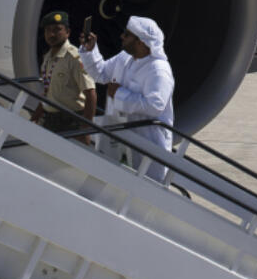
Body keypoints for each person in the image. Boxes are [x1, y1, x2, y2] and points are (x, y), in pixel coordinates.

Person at [80, 15, 174, 180]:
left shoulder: (158, 70)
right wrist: (90, 51)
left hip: (147, 144)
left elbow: (155, 106)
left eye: (127, 34)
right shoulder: (125, 58)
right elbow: (101, 74)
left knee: (145, 193)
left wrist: (119, 94)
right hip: (119, 136)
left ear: (140, 42)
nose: (122, 36)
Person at [30, 11, 96, 144]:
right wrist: (35, 116)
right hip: (50, 121)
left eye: (57, 30)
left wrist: (85, 129)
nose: (52, 34)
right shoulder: (48, 57)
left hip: (71, 122)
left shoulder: (74, 57)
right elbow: (49, 91)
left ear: (68, 32)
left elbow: (91, 94)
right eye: (48, 30)